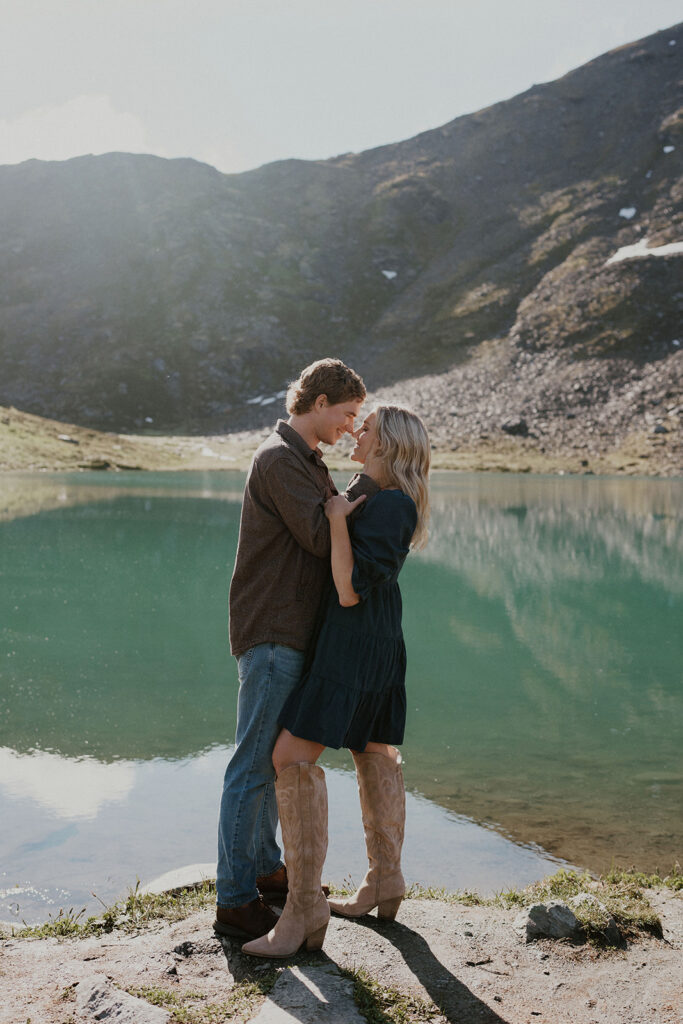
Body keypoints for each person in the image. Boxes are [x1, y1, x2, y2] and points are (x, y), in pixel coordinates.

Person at [241, 404, 430, 959]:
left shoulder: (391, 504)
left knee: (290, 758)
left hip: (353, 643)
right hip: (376, 641)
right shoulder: (376, 494)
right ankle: (385, 880)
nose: (355, 430)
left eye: (365, 428)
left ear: (387, 444)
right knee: (374, 748)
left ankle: (303, 909)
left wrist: (337, 520)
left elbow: (347, 590)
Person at [215, 358, 375, 940]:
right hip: (273, 634)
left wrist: (364, 475)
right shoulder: (280, 459)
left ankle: (264, 869)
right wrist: (376, 475)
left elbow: (333, 520)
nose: (351, 426)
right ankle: (234, 900)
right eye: (347, 413)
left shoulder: (308, 460)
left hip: (292, 635)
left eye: (359, 419)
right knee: (251, 768)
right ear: (320, 401)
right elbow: (318, 534)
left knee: (269, 761)